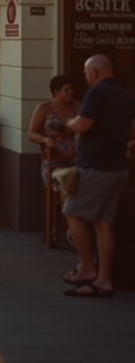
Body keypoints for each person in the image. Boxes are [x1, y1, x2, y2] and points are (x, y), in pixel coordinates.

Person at [62, 55, 135, 297]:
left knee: (71, 211)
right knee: (103, 223)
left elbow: (83, 124)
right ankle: (104, 280)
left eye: (86, 72)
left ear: (94, 71)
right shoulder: (124, 94)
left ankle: (86, 267)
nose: (85, 77)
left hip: (96, 168)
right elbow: (132, 129)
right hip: (118, 168)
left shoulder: (97, 93)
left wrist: (71, 123)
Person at [27, 75, 80, 194]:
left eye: (71, 89)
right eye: (66, 90)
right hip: (54, 157)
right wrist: (44, 139)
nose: (70, 92)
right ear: (56, 91)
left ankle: (72, 205)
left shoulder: (77, 106)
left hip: (76, 157)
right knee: (65, 181)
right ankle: (66, 205)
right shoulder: (44, 108)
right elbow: (31, 133)